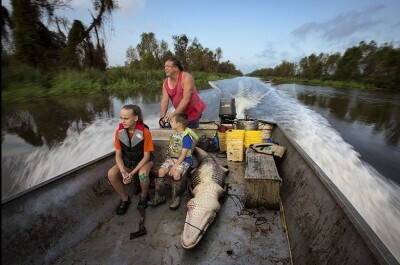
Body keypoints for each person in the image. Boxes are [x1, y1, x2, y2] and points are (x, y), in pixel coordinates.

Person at [107, 104, 154, 216]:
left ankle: (143, 196)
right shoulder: (119, 132)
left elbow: (147, 156)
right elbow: (118, 155)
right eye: (121, 118)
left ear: (136, 118)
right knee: (111, 174)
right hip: (128, 161)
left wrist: (132, 173)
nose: (123, 121)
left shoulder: (145, 133)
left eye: (126, 118)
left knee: (142, 175)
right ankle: (125, 199)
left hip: (144, 162)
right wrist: (123, 171)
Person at [150, 113, 199, 209]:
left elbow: (183, 155)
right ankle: (160, 196)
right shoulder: (174, 134)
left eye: (172, 121)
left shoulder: (186, 137)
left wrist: (174, 167)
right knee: (161, 171)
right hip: (172, 159)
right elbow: (172, 148)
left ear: (179, 124)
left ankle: (176, 197)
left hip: (185, 160)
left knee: (176, 174)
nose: (170, 123)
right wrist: (168, 160)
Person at [160, 57, 207, 129]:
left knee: (188, 133)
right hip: (180, 112)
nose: (165, 68)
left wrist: (173, 114)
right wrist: (162, 118)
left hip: (193, 111)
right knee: (175, 130)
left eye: (168, 66)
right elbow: (164, 101)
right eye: (165, 67)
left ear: (176, 68)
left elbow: (186, 99)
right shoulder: (165, 83)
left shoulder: (186, 77)